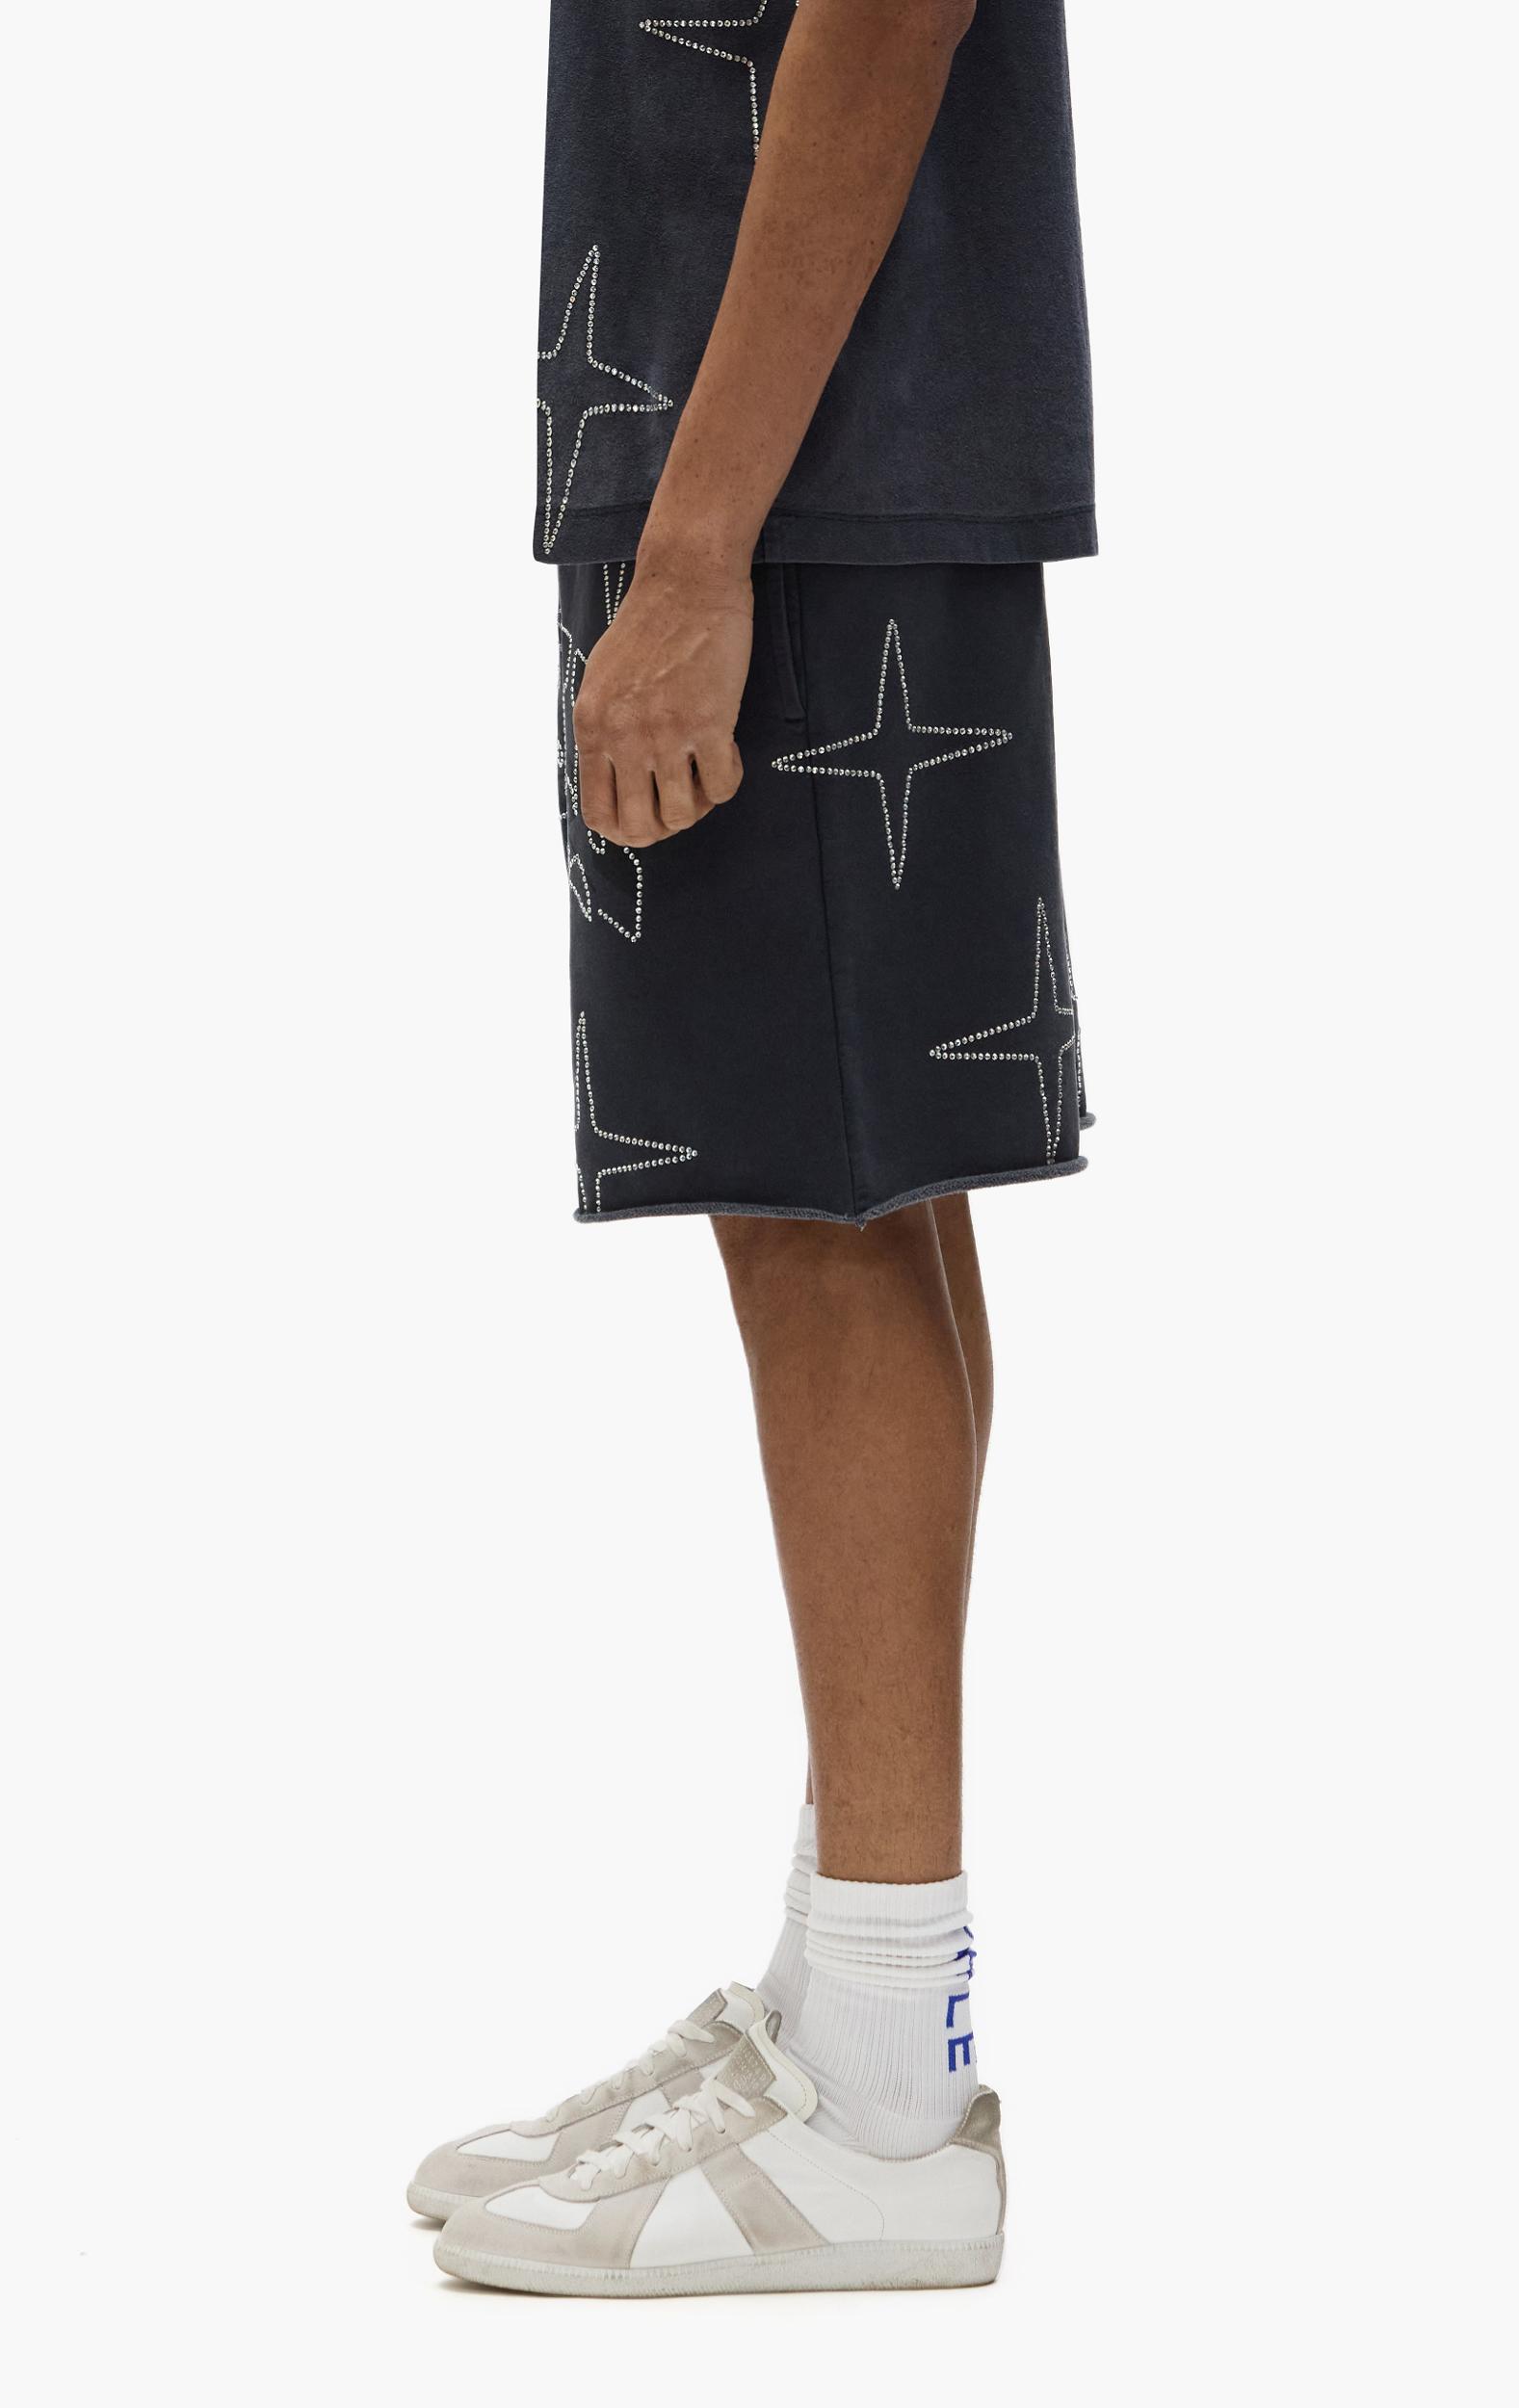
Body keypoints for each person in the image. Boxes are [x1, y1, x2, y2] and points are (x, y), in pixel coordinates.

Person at [411, 0, 1096, 2295]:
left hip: (783, 470)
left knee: (820, 1215)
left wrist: (697, 547)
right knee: (861, 1198)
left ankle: (884, 2098)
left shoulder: (741, 511)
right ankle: (846, 2007)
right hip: (787, 443)